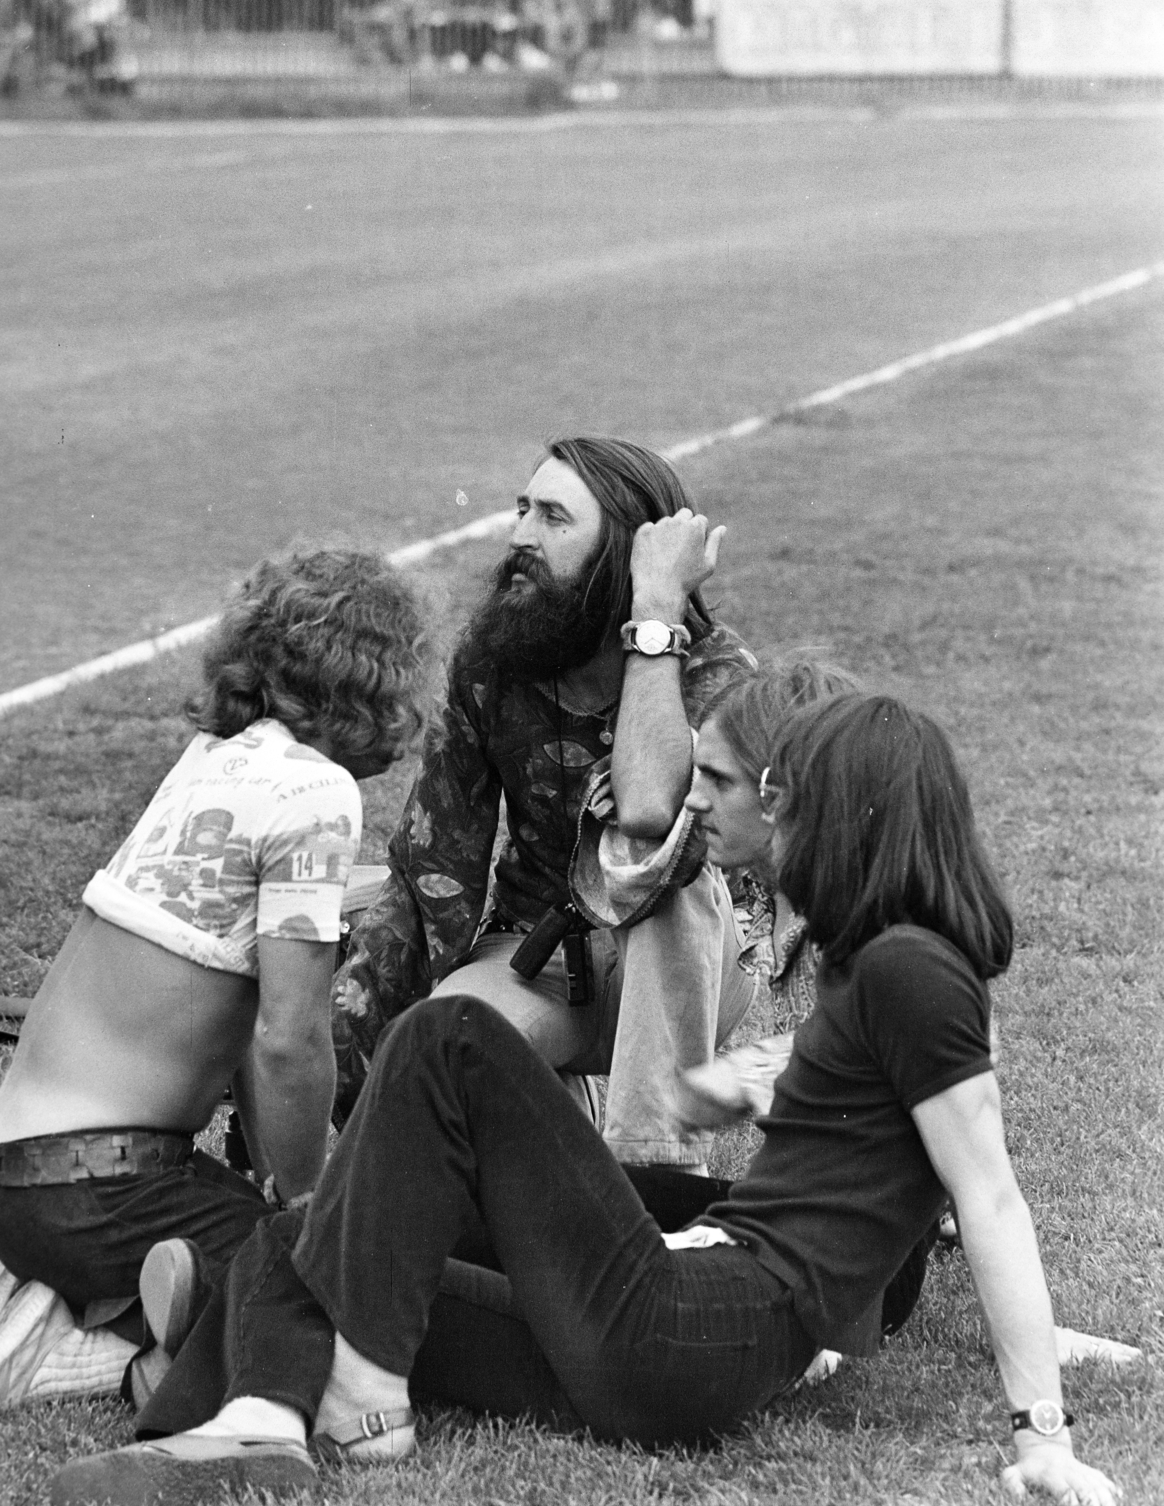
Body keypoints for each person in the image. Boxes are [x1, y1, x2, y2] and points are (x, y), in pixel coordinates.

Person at [53, 681, 1123, 1506]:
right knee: (340, 1220)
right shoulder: (875, 964)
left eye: (782, 796)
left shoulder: (911, 972)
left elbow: (988, 1198)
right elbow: (834, 1114)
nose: (752, 815)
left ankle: (347, 1381)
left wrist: (1042, 1433)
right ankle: (248, 1420)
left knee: (453, 1035)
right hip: (667, 1341)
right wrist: (725, 1096)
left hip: (694, 1329)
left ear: (846, 813)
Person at [0, 548, 429, 1407]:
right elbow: (288, 1040)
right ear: (381, 681)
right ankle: (98, 1350)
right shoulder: (316, 794)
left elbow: (236, 1024)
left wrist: (274, 1190)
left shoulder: (212, 759)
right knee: (360, 1290)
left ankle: (129, 1301)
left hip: (25, 1176)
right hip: (106, 1186)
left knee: (257, 1239)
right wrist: (311, 1207)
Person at [331, 436, 758, 1168]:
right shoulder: (491, 660)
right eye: (522, 509)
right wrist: (357, 1025)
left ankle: (657, 1180)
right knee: (439, 1055)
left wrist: (655, 614)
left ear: (623, 552)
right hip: (536, 951)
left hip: (685, 962)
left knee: (661, 882)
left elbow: (651, 813)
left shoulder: (719, 672)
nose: (521, 535)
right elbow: (437, 862)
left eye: (554, 518)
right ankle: (565, 1137)